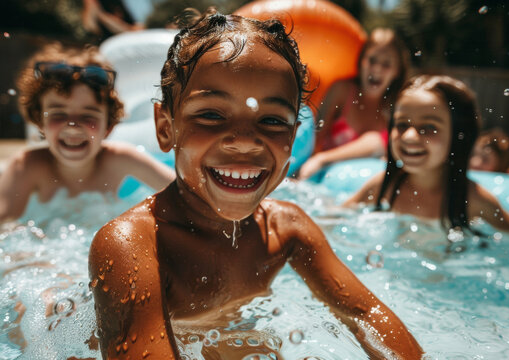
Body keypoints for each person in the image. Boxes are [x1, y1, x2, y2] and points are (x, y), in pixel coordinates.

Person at [89, 9, 424, 359]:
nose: (246, 140)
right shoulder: (132, 245)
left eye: (271, 120)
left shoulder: (286, 229)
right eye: (212, 114)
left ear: (294, 139)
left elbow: (365, 314)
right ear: (164, 127)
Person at [344, 75, 509, 249]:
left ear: (458, 137)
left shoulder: (471, 199)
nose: (410, 136)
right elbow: (335, 219)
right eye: (402, 124)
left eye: (429, 127)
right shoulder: (382, 187)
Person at [0, 43, 175, 223]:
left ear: (108, 127)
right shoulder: (27, 166)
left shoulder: (121, 159)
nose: (73, 126)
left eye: (87, 116)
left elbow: (190, 198)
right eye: (59, 114)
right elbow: (5, 229)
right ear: (40, 122)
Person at [298, 28, 409, 180]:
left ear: (396, 71)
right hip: (324, 178)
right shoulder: (342, 91)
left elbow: (390, 154)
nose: (376, 68)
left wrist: (322, 159)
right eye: (372, 60)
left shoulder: (395, 108)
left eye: (386, 64)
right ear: (361, 61)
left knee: (376, 141)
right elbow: (313, 139)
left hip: (360, 183)